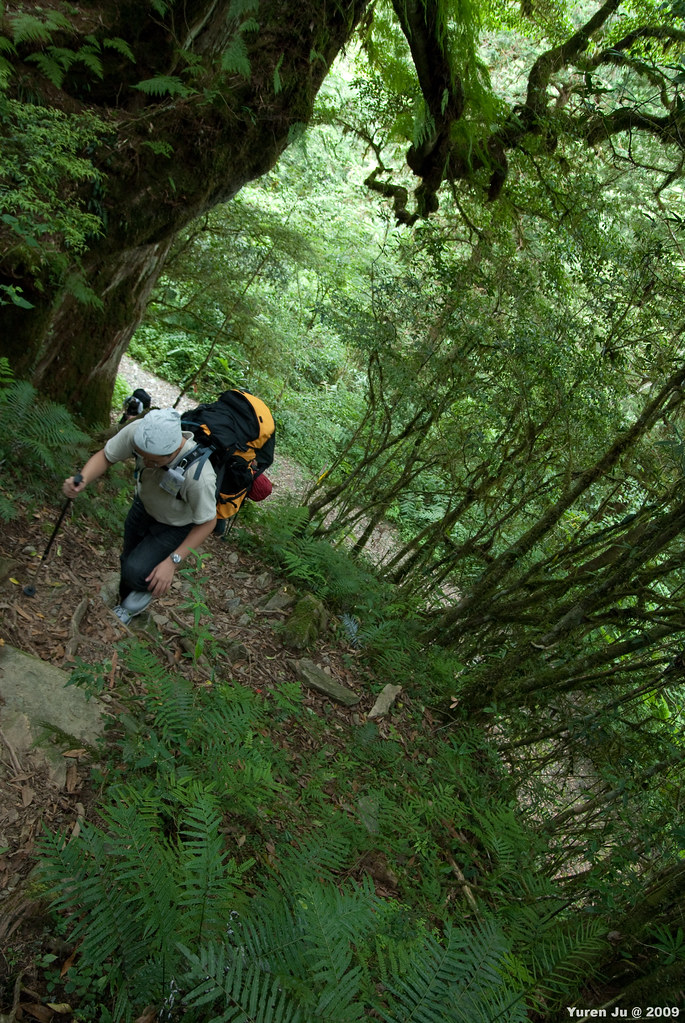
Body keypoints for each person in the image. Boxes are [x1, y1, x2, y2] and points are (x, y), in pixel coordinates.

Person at [63, 408, 217, 625]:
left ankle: (136, 598)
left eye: (153, 462)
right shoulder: (138, 434)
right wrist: (82, 479)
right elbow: (107, 456)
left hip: (175, 525)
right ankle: (124, 599)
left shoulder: (199, 475)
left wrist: (172, 561)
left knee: (136, 571)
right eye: (141, 456)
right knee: (127, 558)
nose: (145, 462)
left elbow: (209, 522)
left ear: (173, 451)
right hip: (143, 506)